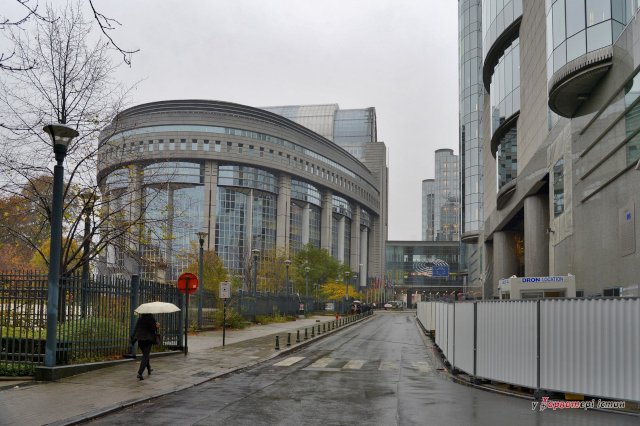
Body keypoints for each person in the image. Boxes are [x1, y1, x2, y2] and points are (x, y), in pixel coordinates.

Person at [131, 313, 159, 380]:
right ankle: (140, 373)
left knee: (145, 355)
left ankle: (149, 368)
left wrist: (133, 338)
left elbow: (136, 329)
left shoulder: (140, 319)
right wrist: (156, 326)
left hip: (140, 340)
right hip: (148, 339)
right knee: (145, 355)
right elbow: (153, 330)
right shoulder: (151, 319)